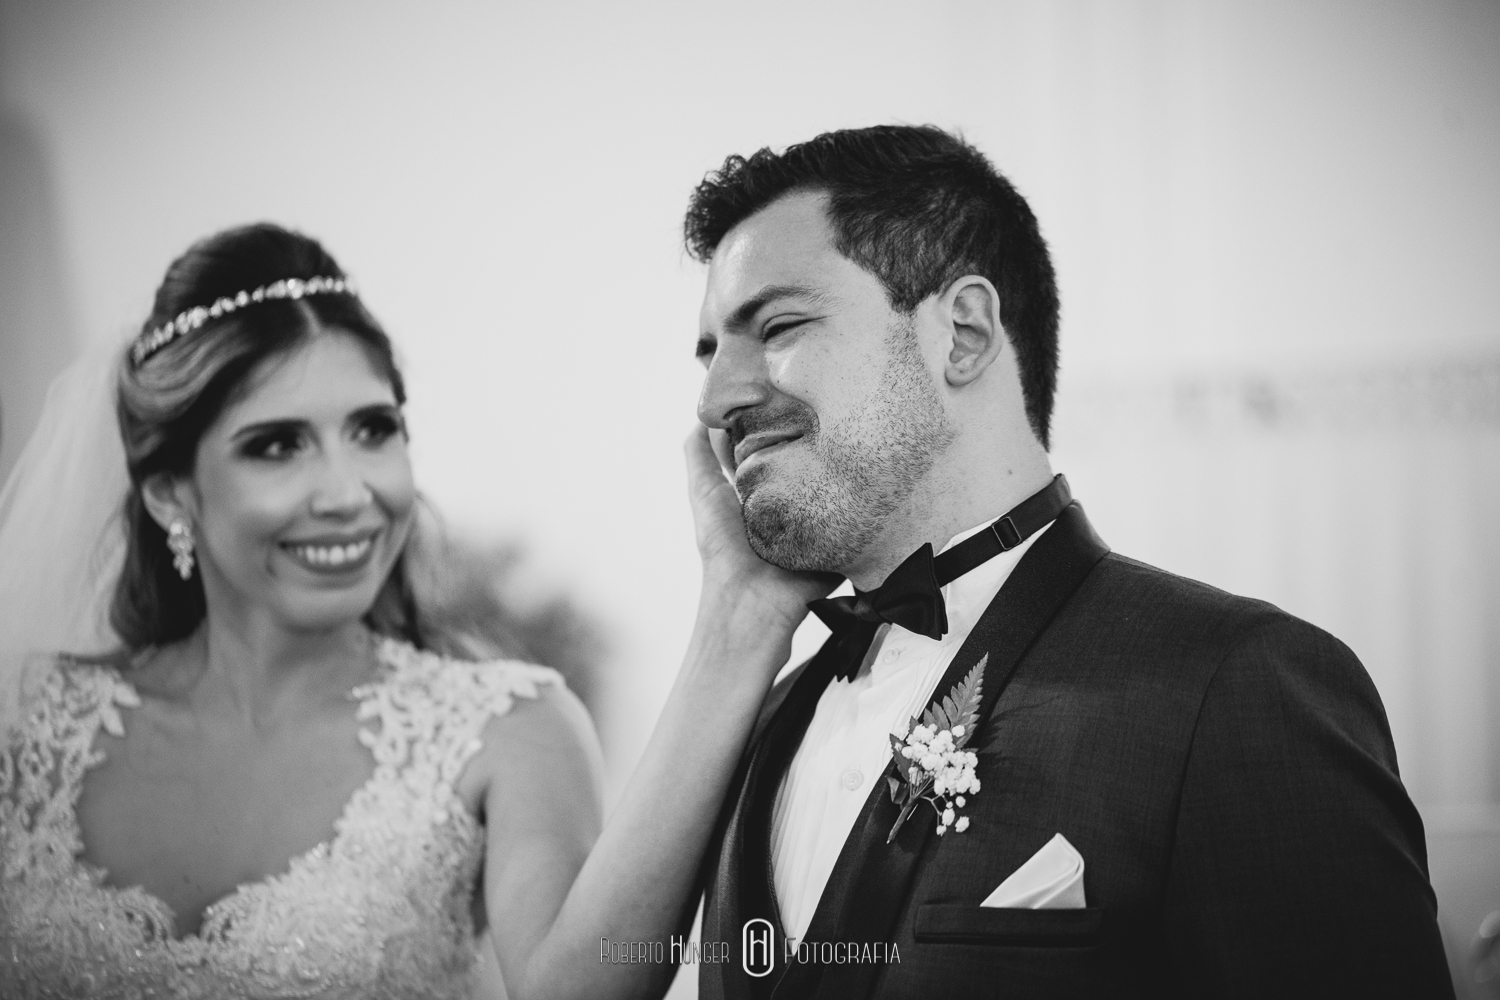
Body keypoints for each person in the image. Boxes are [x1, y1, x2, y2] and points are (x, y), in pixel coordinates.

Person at [685, 125, 1454, 999]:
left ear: (965, 335)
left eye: (777, 324)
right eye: (710, 352)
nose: (716, 400)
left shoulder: (1233, 685)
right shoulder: (766, 720)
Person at [0, 223, 828, 999]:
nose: (348, 492)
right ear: (169, 492)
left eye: (372, 430)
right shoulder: (29, 724)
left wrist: (740, 614)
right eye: (276, 445)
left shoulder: (507, 732)